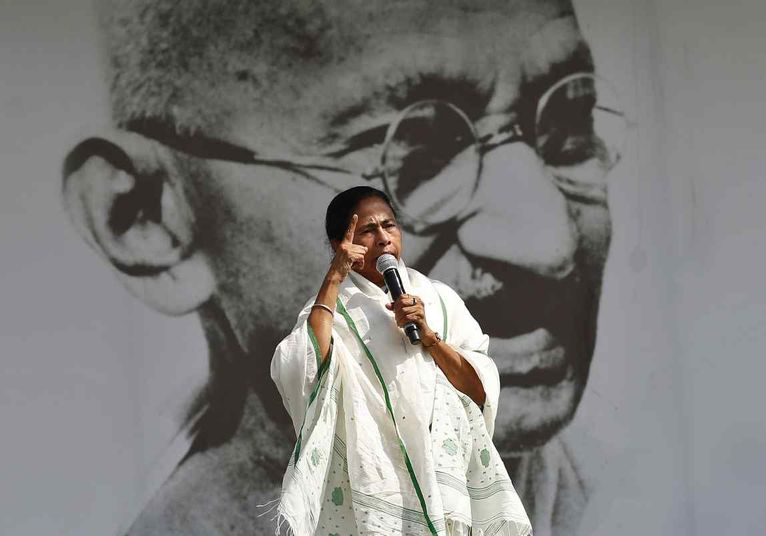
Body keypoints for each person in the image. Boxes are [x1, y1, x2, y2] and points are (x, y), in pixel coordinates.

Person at [61, 0, 623, 534]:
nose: (551, 244)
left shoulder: (642, 498)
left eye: (568, 126)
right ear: (146, 219)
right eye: (419, 154)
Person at [270, 186, 530, 535]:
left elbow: (479, 391)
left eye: (389, 225)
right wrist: (334, 277)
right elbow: (300, 369)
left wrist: (430, 337)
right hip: (376, 488)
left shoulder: (438, 299)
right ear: (340, 243)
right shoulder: (335, 310)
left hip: (444, 487)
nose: (383, 238)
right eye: (368, 230)